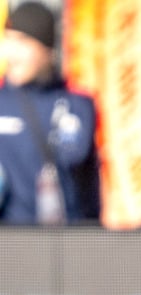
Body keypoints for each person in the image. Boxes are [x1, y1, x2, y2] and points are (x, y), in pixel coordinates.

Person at [0, 1, 100, 225]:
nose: (12, 52)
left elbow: (76, 160)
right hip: (8, 244)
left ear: (47, 50)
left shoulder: (76, 105)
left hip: (65, 244)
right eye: (8, 39)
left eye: (24, 41)